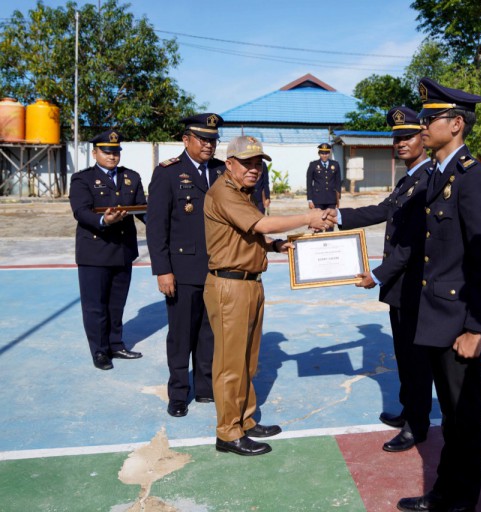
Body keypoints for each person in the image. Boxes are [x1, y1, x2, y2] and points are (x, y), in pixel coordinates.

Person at [397, 79, 481, 512]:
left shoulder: (471, 178)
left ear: (456, 124)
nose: (422, 125)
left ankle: (460, 500)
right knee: (453, 416)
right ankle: (446, 492)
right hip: (438, 314)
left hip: (459, 319)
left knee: (464, 415)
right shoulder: (439, 174)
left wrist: (476, 327)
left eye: (430, 118)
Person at [203, 135, 335, 456]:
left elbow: (247, 235)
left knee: (247, 360)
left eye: (258, 163)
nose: (254, 169)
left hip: (249, 283)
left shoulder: (242, 192)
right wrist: (307, 218)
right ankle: (228, 432)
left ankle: (245, 420)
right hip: (230, 286)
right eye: (246, 163)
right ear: (229, 164)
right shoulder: (224, 192)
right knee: (230, 364)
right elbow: (262, 224)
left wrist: (276, 246)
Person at [338, 106, 433, 453]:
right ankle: (410, 410)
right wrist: (336, 216)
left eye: (407, 136)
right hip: (400, 288)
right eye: (396, 138)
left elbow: (413, 246)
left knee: (416, 359)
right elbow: (381, 210)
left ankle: (417, 425)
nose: (401, 143)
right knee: (404, 355)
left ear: (423, 137)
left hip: (414, 286)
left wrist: (377, 276)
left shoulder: (429, 180)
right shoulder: (409, 179)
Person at [146, 113, 225, 418]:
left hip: (217, 267)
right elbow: (156, 227)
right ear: (186, 139)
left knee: (209, 332)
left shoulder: (221, 171)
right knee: (181, 335)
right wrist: (162, 270)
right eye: (203, 139)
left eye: (213, 140)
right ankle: (178, 393)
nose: (209, 145)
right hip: (182, 269)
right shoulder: (168, 173)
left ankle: (205, 387)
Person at [69, 129, 146, 370]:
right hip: (95, 252)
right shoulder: (82, 179)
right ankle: (100, 350)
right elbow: (81, 211)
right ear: (95, 153)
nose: (112, 156)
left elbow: (142, 209)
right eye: (106, 152)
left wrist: (165, 225)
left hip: (122, 251)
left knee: (116, 304)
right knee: (95, 307)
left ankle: (116, 344)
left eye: (116, 152)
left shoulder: (130, 177)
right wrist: (104, 220)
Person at [306, 142, 341, 211]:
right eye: (322, 153)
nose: (324, 155)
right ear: (319, 154)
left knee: (331, 217)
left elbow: (338, 182)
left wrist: (338, 199)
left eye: (326, 153)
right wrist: (310, 200)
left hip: (331, 199)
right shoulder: (313, 165)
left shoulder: (335, 164)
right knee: (318, 217)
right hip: (317, 199)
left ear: (329, 154)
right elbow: (309, 183)